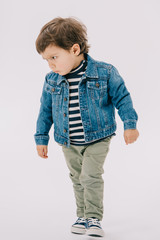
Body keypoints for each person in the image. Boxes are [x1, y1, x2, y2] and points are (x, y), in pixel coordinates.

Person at [34, 17, 139, 237]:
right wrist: (41, 137)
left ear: (74, 49)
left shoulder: (105, 72)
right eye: (46, 60)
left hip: (98, 137)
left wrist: (130, 124)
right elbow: (45, 111)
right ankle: (81, 215)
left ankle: (93, 217)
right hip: (68, 140)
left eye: (54, 57)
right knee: (77, 177)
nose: (51, 64)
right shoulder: (51, 80)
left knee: (90, 176)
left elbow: (122, 98)